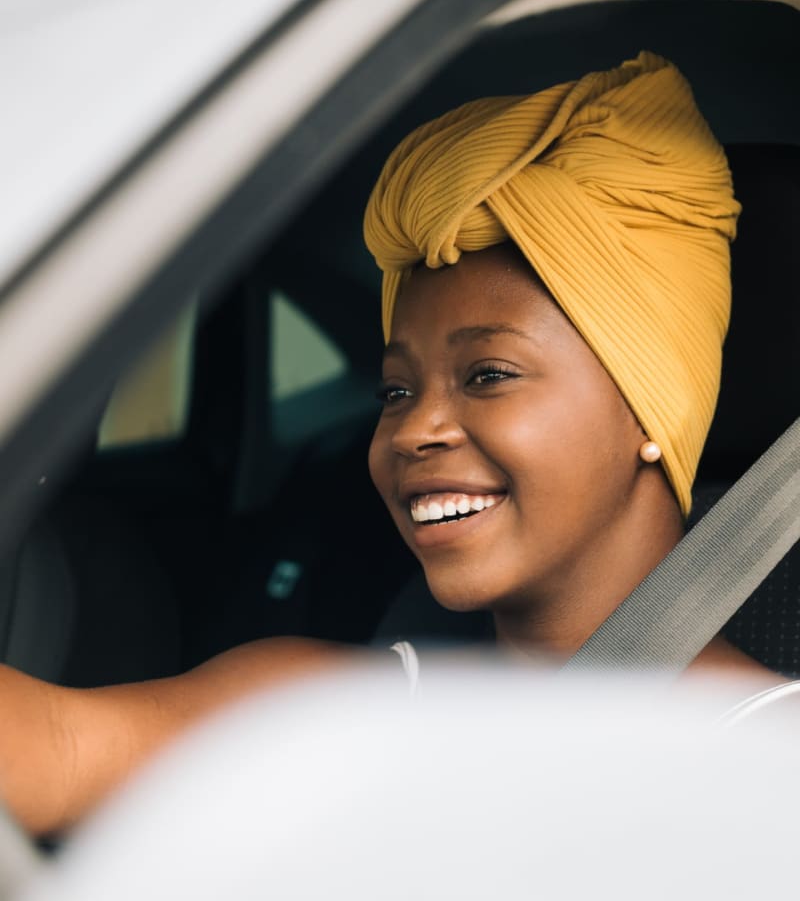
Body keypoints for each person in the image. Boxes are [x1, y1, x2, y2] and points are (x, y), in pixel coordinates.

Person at [0, 52, 781, 836]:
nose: (412, 429)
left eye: (488, 374)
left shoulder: (769, 766)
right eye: (396, 392)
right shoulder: (325, 707)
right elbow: (65, 750)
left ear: (650, 410)